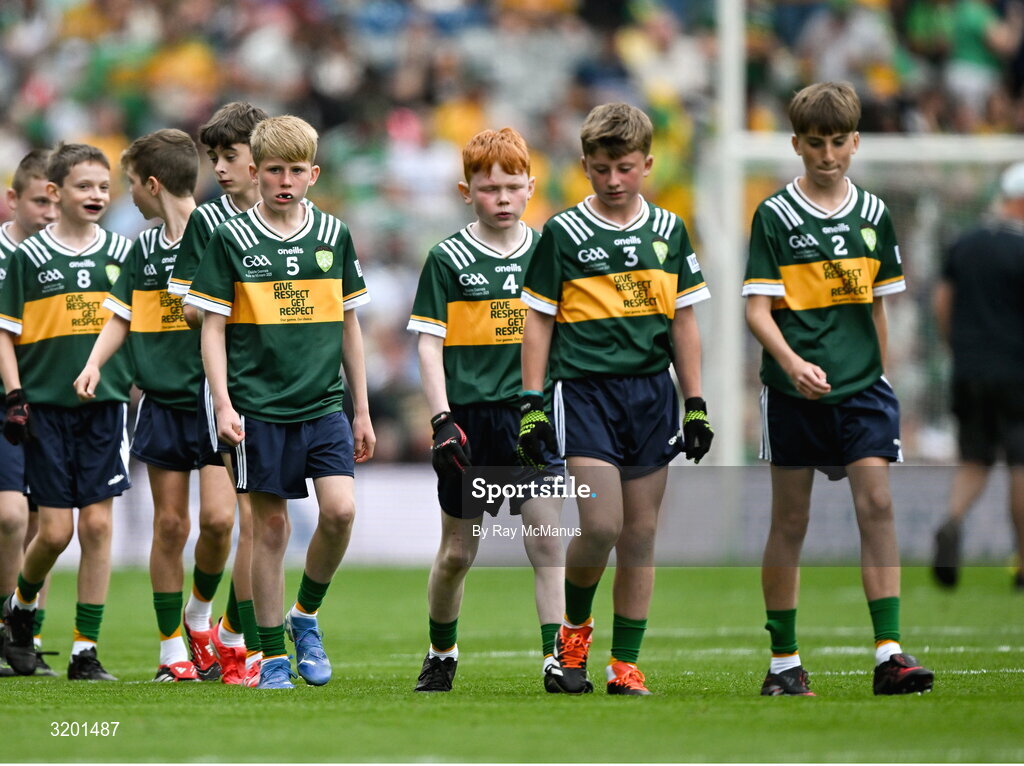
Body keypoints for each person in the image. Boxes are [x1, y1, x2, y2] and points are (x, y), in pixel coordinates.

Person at [742, 81, 934, 696]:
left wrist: (879, 372)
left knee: (877, 505)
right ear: (797, 144)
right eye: (815, 143)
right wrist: (793, 363)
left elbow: (878, 307)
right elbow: (757, 311)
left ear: (855, 142)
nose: (827, 155)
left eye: (838, 143)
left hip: (862, 388)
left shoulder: (875, 215)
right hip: (793, 389)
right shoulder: (774, 215)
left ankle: (891, 654)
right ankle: (783, 663)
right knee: (790, 520)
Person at [518, 102, 713, 696]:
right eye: (601, 169)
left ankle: (624, 664)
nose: (613, 180)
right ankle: (572, 634)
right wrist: (531, 402)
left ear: (647, 164)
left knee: (641, 534)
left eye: (624, 168)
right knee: (601, 525)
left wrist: (696, 401)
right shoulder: (563, 233)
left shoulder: (670, 230)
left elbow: (683, 321)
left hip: (651, 394)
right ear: (585, 166)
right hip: (585, 394)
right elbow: (538, 322)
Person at [185, 115, 375, 690]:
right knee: (268, 531)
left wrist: (361, 408)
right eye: (273, 170)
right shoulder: (231, 237)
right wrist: (222, 403)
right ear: (255, 172)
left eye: (296, 170)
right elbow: (211, 328)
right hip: (256, 407)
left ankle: (304, 616)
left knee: (340, 512)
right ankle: (270, 658)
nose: (284, 180)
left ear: (313, 174)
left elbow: (349, 324)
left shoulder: (333, 235)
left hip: (323, 405)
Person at [72, 129, 240, 682]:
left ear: (150, 183)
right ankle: (171, 649)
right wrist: (96, 363)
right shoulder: (143, 247)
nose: (129, 198)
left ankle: (198, 612)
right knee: (170, 525)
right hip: (163, 401)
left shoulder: (220, 230)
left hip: (215, 398)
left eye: (129, 185)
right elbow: (121, 315)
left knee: (218, 521)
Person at [407, 128, 566, 693]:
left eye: (512, 186)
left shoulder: (550, 251)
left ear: (530, 188)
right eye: (488, 187)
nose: (501, 197)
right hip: (469, 422)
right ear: (465, 191)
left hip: (529, 417)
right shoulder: (447, 258)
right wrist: (441, 419)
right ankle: (441, 650)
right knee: (458, 551)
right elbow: (429, 343)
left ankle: (558, 659)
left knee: (548, 539)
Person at [0, 143, 133, 681]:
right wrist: (15, 394)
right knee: (53, 533)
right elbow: (5, 331)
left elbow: (133, 323)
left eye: (103, 186)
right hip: (47, 409)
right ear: (55, 193)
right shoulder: (28, 258)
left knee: (97, 527)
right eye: (84, 186)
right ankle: (21, 609)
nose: (96, 195)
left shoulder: (122, 252)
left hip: (105, 408)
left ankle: (85, 649)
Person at [168, 102, 268, 686]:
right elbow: (185, 306)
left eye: (231, 157)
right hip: (228, 381)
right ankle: (211, 619)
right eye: (215, 159)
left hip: (285, 385)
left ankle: (238, 636)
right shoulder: (209, 222)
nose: (222, 169)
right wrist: (241, 308)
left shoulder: (298, 218)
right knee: (227, 522)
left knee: (261, 521)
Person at [932, 161, 1024, 590]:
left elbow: (941, 303)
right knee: (1020, 464)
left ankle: (950, 522)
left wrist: (959, 348)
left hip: (968, 367)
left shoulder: (965, 242)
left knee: (974, 459)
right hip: (1016, 370)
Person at [0, 149, 58, 678]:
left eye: (54, 201)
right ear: (14, 198)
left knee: (44, 522)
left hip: (46, 404)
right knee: (12, 516)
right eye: (40, 200)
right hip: (6, 401)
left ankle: (24, 636)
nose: (49, 211)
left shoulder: (59, 256)